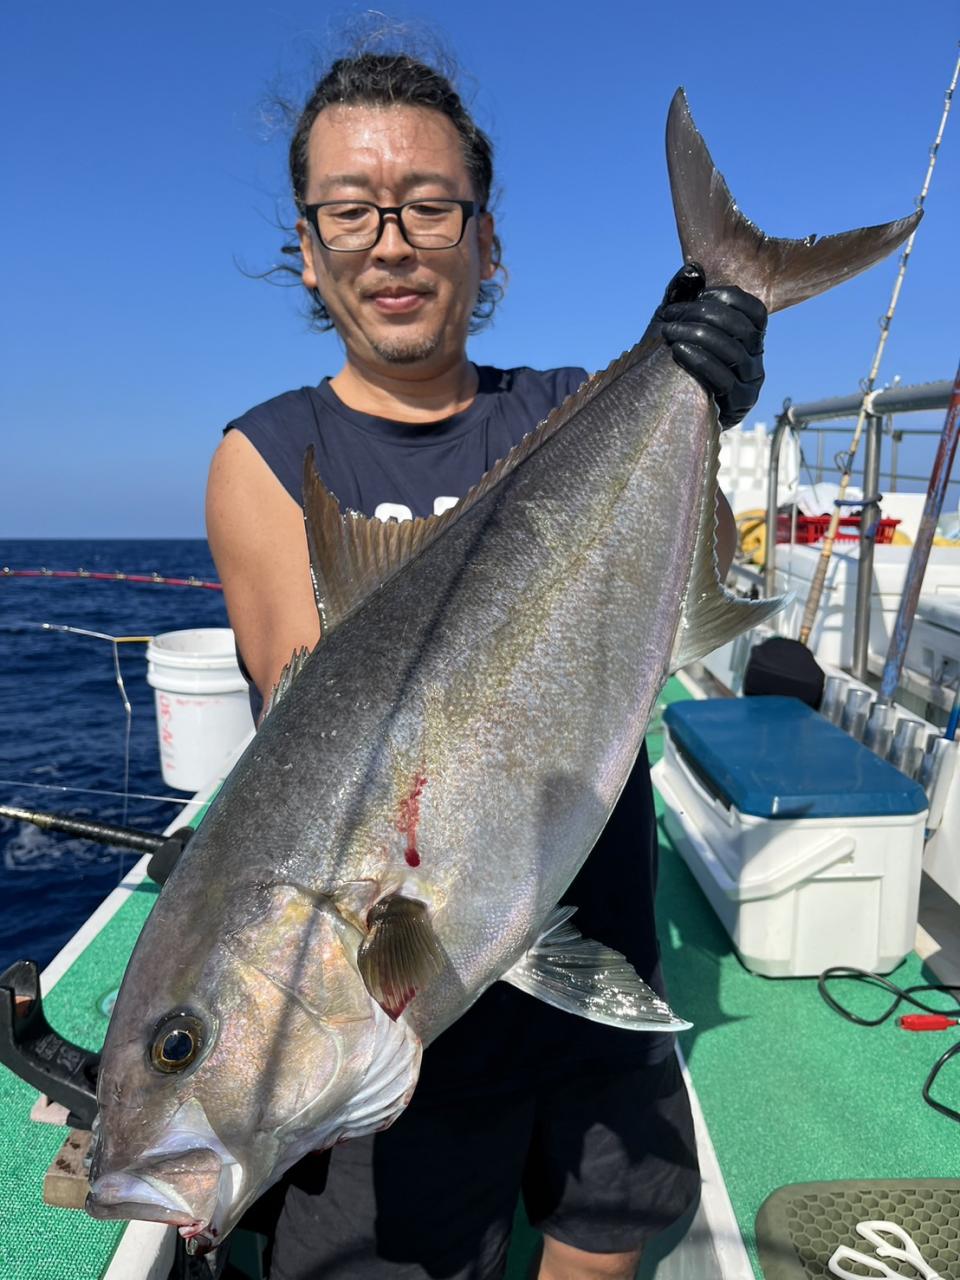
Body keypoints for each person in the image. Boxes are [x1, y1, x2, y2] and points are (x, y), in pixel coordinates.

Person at [206, 50, 765, 1280]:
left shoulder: (574, 406)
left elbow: (691, 579)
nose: (391, 242)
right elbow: (321, 736)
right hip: (393, 1036)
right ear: (308, 249)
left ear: (487, 239)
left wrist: (700, 390)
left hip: (595, 961)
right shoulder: (269, 457)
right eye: (350, 210)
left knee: (600, 1249)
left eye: (429, 205)